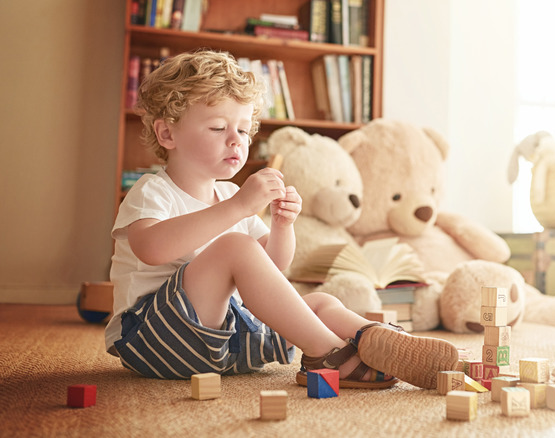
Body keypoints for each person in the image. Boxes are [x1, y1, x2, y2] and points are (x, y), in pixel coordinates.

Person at [104, 49, 458, 389]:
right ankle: (327, 354)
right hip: (151, 339)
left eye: (243, 131)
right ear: (167, 134)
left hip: (222, 338)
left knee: (318, 302)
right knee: (235, 246)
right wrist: (239, 208)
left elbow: (271, 268)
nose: (235, 141)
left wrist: (281, 226)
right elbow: (151, 248)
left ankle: (371, 338)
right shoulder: (154, 191)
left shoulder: (229, 196)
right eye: (217, 128)